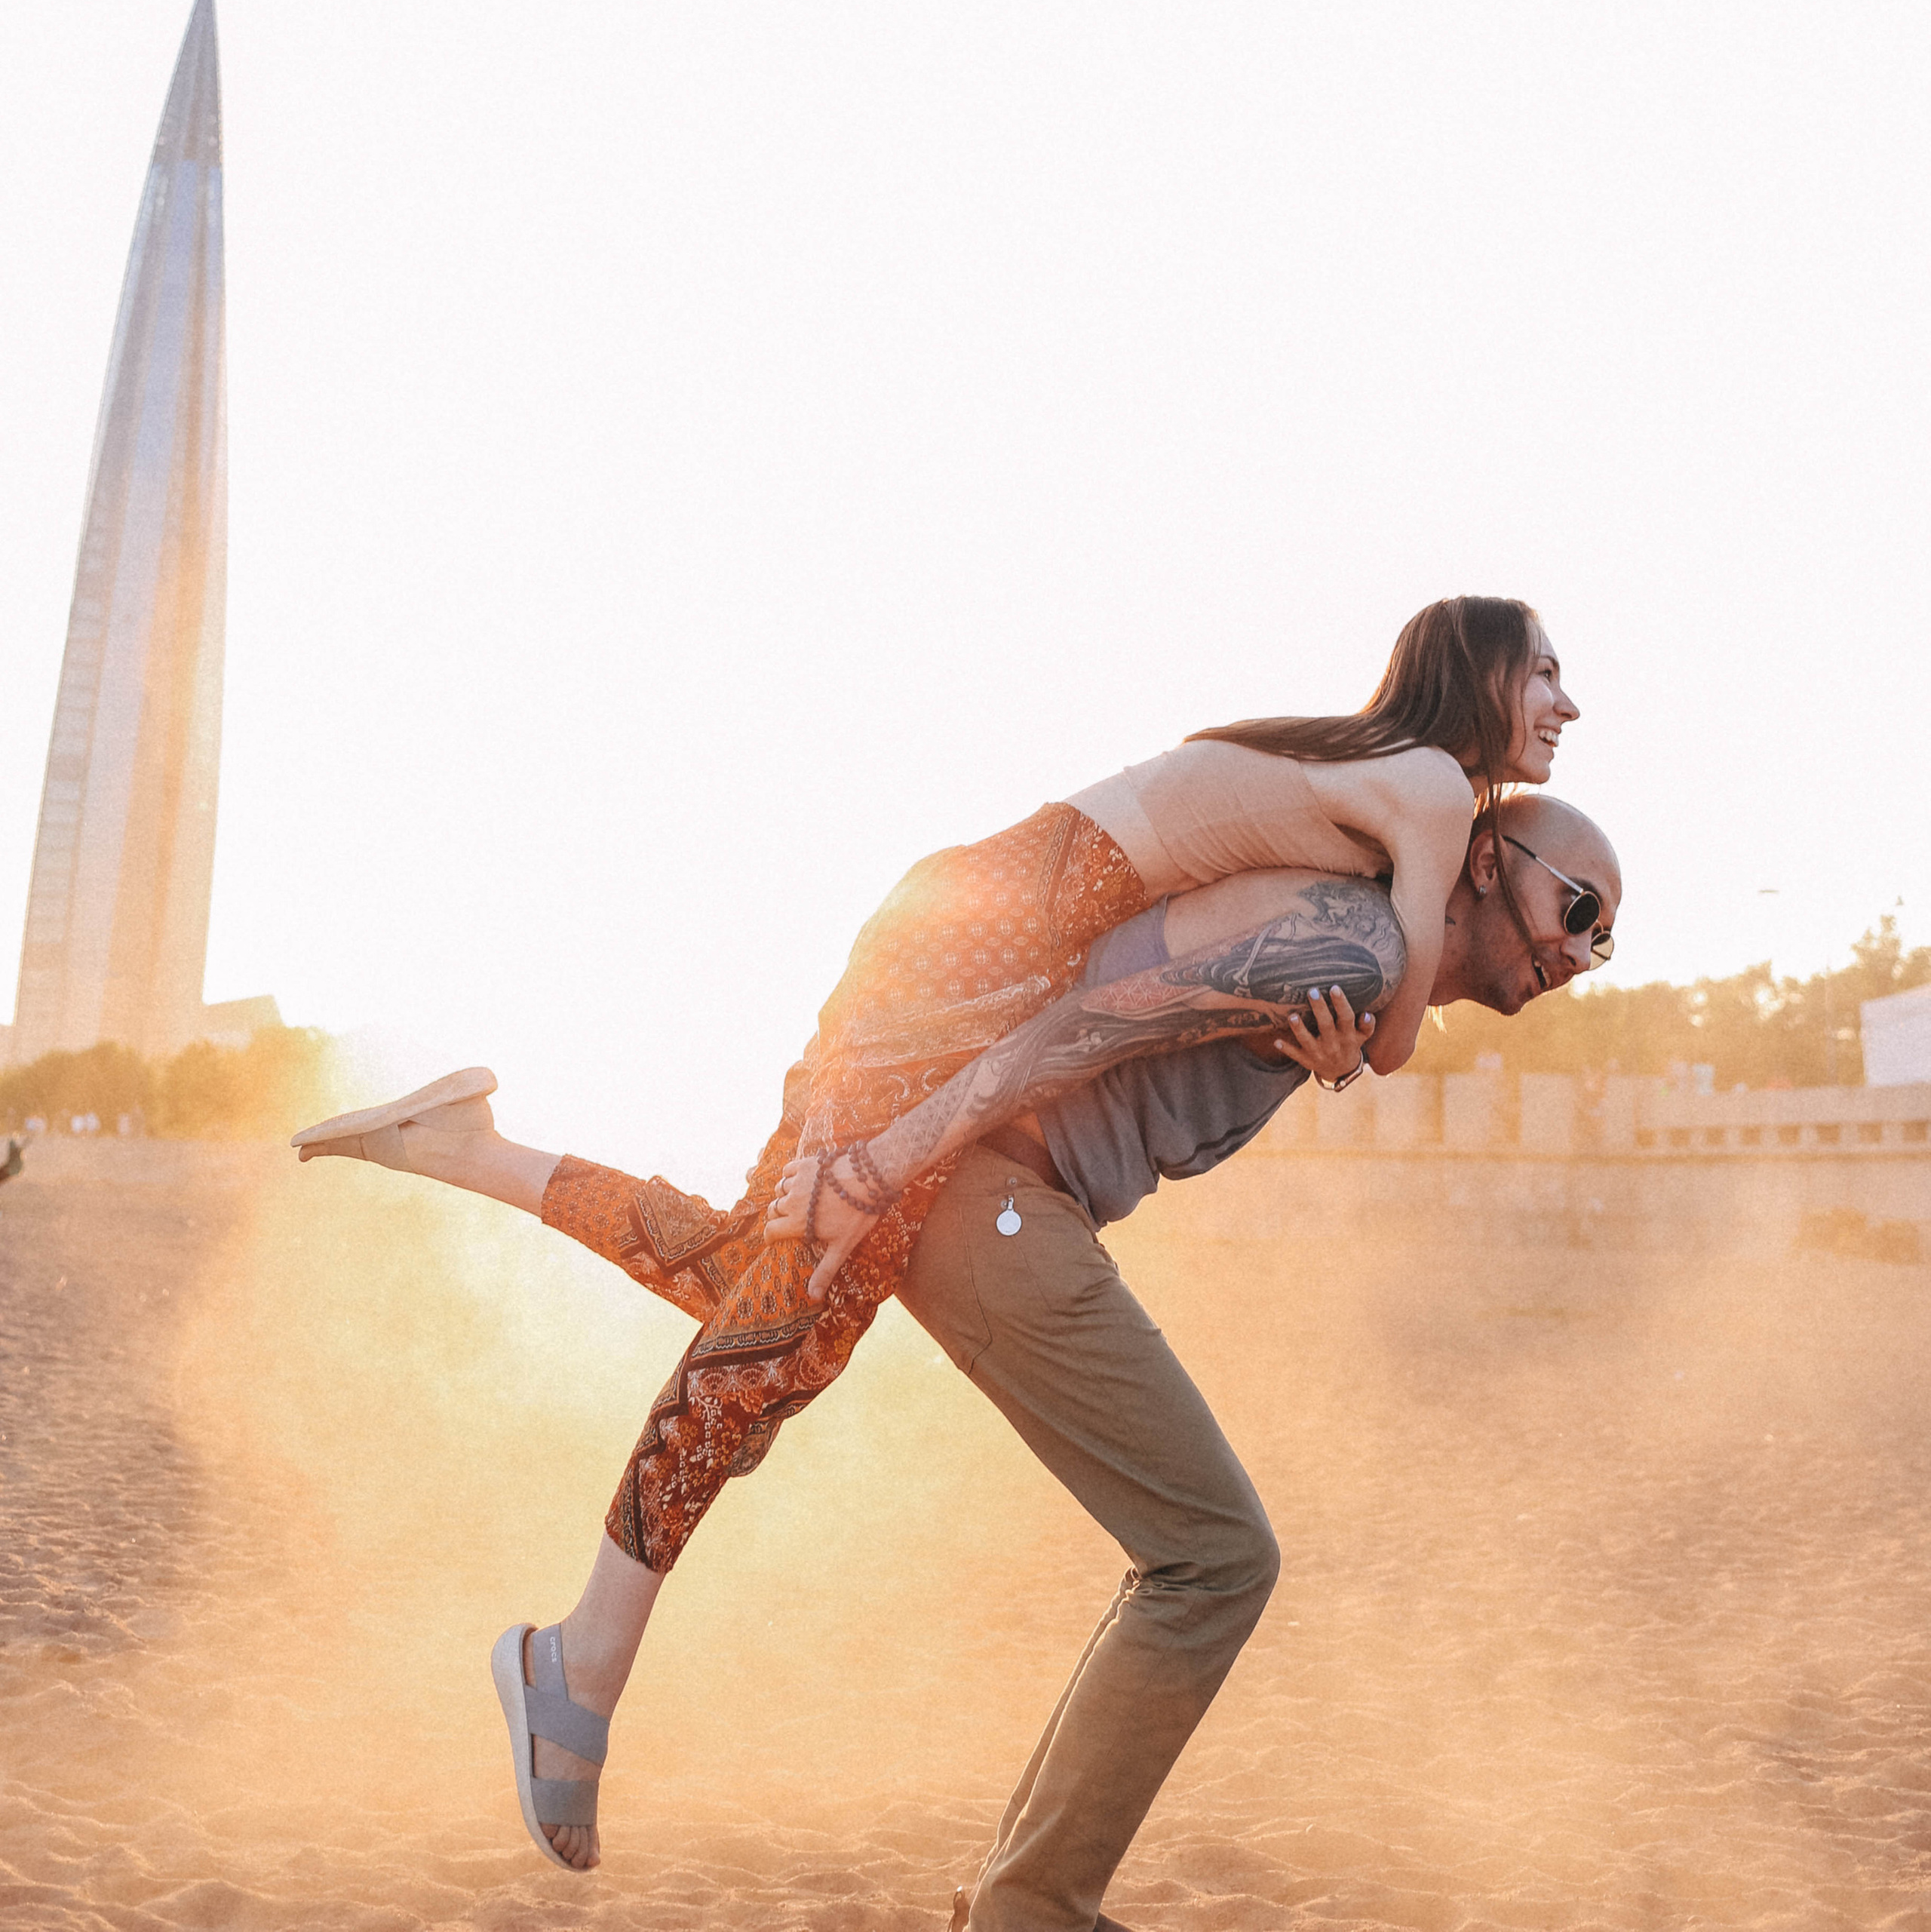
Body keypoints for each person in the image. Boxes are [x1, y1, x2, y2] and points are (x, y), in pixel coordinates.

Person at [290, 594, 1582, 1871]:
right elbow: (1401, 1031)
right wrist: (1357, 1041)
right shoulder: (1428, 789)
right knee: (787, 1325)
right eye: (1546, 675)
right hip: (985, 950)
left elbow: (1339, 981)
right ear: (1476, 678)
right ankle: (577, 1660)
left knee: (759, 1277)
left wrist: (1334, 1025)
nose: (1567, 707)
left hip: (985, 928)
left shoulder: (1374, 785)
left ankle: (465, 1148)